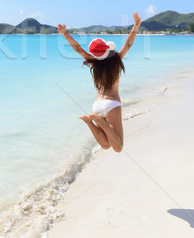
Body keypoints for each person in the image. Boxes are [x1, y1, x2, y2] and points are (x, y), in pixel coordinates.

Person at [57, 12, 141, 152]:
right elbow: (129, 44)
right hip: (112, 104)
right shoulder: (117, 59)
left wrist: (65, 33)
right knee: (118, 147)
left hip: (97, 105)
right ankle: (100, 122)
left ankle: (90, 121)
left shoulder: (94, 63)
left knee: (106, 145)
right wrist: (136, 26)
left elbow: (77, 48)